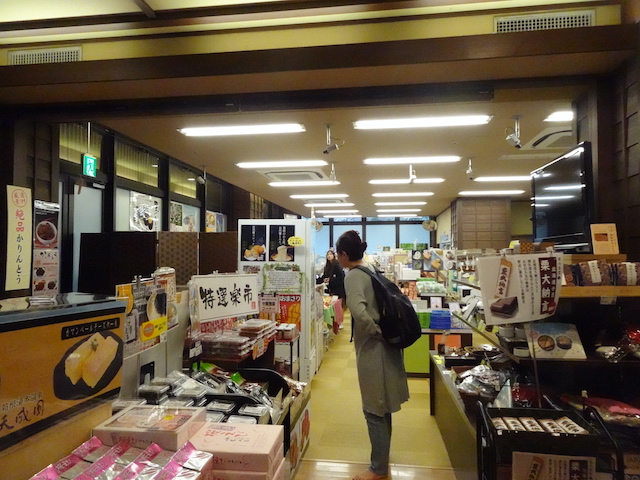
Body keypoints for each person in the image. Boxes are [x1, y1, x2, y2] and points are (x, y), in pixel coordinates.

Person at [335, 230, 409, 480]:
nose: (337, 258)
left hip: (373, 349)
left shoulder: (354, 276)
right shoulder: (370, 270)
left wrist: (376, 333)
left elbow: (358, 312)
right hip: (386, 347)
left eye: (338, 253)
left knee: (373, 409)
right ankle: (382, 459)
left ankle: (378, 468)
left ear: (344, 254)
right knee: (382, 405)